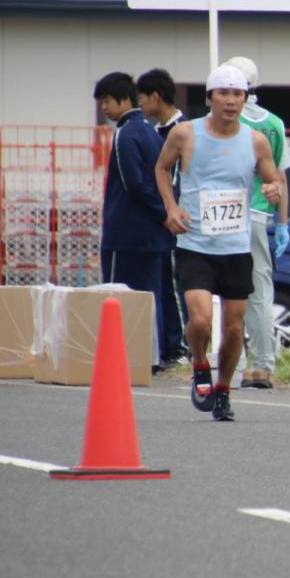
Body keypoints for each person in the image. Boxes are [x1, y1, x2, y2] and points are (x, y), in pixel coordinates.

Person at [155, 65, 282, 422]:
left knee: (232, 327)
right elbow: (162, 168)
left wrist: (273, 190)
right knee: (200, 321)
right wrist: (171, 207)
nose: (230, 101)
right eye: (223, 94)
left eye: (237, 94)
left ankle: (223, 390)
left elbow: (274, 182)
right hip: (195, 242)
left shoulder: (255, 140)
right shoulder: (185, 134)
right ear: (209, 98)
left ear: (245, 98)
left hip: (236, 246)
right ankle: (199, 366)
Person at [94, 72, 176, 373]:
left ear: (124, 100)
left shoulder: (125, 134)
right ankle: (152, 355)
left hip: (126, 233)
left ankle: (127, 356)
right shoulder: (151, 132)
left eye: (106, 100)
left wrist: (163, 212)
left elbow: (134, 183)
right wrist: (167, 213)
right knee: (151, 294)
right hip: (153, 233)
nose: (103, 107)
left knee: (120, 295)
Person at [221, 56, 290, 390]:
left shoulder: (219, 121)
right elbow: (280, 179)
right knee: (260, 293)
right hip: (259, 218)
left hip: (219, 214)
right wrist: (284, 222)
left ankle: (225, 365)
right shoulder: (274, 124)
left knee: (219, 291)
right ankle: (261, 366)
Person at [136, 67, 188, 367]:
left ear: (156, 97)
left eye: (143, 99)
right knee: (166, 282)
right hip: (161, 221)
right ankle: (171, 343)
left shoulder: (184, 129)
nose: (142, 105)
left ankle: (178, 345)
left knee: (178, 282)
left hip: (179, 221)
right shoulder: (154, 132)